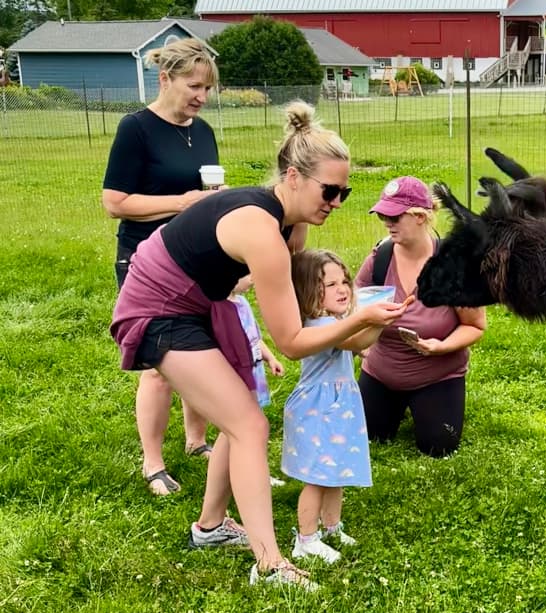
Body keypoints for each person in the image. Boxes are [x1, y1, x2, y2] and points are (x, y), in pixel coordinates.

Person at [109, 100, 410, 588]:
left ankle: (209, 528)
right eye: (329, 190)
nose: (336, 201)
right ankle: (269, 563)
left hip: (202, 301)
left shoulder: (292, 226)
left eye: (345, 192)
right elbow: (292, 342)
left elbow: (295, 294)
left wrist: (346, 309)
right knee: (249, 424)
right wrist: (362, 319)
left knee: (238, 413)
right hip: (159, 308)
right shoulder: (261, 228)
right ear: (293, 177)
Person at [102, 37, 219, 495]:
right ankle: (153, 463)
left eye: (207, 88)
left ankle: (196, 440)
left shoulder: (203, 130)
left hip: (196, 258)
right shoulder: (136, 129)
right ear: (165, 78)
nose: (201, 97)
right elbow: (114, 203)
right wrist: (182, 202)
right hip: (146, 261)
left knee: (202, 351)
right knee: (159, 363)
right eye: (193, 86)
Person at [355, 176, 487, 457]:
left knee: (439, 445)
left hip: (437, 373)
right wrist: (362, 342)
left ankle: (425, 403)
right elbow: (353, 304)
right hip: (381, 370)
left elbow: (475, 326)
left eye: (394, 216)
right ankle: (392, 404)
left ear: (420, 217)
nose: (386, 222)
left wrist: (441, 347)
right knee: (369, 437)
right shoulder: (380, 258)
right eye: (382, 215)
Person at [283, 249, 380, 564]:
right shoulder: (317, 324)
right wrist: (382, 320)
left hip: (337, 407)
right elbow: (354, 341)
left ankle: (331, 526)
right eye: (331, 284)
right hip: (318, 409)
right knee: (317, 477)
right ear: (310, 291)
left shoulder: (334, 322)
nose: (343, 289)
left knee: (334, 471)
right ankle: (306, 539)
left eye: (345, 282)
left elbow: (351, 344)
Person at [229, 275, 288, 488]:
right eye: (245, 274)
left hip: (255, 373)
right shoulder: (223, 309)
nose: (253, 278)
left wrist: (270, 357)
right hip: (239, 379)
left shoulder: (242, 303)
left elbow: (255, 338)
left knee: (254, 427)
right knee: (249, 429)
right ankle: (252, 475)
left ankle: (253, 472)